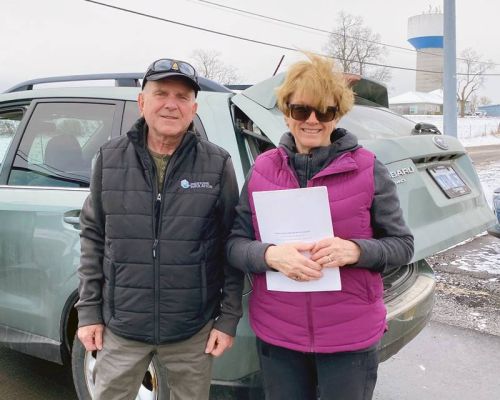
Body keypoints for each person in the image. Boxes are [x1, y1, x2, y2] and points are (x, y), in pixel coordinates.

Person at [226, 53, 414, 400]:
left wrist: (356, 250)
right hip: (280, 337)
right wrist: (269, 255)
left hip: (349, 338)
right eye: (301, 110)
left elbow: (402, 246)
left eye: (324, 111)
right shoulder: (262, 170)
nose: (312, 120)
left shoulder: (367, 168)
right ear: (286, 113)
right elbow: (235, 243)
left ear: (337, 115)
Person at [75, 58, 244, 400]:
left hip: (191, 330)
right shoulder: (109, 159)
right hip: (121, 327)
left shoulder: (217, 163)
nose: (171, 104)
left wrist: (227, 320)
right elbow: (93, 236)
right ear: (142, 102)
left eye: (182, 97)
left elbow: (232, 243)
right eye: (161, 93)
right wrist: (88, 311)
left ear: (193, 108)